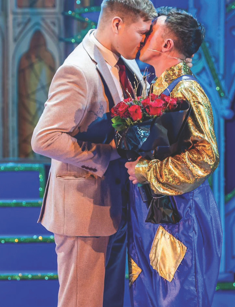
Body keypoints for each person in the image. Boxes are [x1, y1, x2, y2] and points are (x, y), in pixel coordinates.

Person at [31, 1, 157, 306]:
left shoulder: (127, 64)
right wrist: (105, 153)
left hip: (115, 208)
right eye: (142, 32)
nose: (145, 40)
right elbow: (44, 139)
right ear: (117, 24)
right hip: (82, 212)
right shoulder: (78, 69)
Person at [125, 7, 223, 307]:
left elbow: (206, 156)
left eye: (152, 31)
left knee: (179, 296)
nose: (143, 36)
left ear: (167, 44)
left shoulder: (188, 90)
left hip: (180, 218)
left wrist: (150, 171)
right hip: (146, 214)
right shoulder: (147, 88)